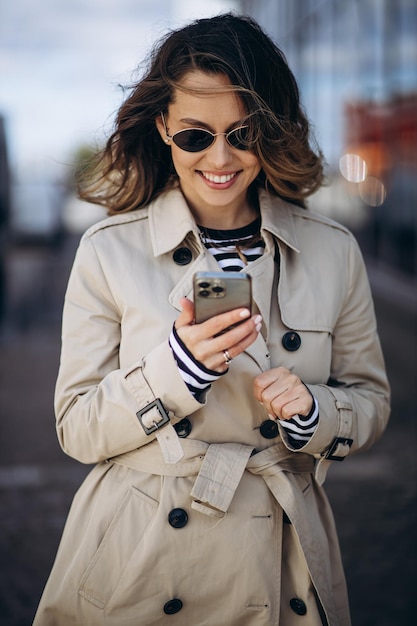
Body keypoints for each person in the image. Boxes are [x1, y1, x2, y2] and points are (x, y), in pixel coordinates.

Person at [33, 13, 390, 626]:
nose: (220, 158)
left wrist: (311, 412)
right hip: (142, 557)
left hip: (283, 555)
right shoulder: (108, 250)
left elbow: (372, 402)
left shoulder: (333, 251)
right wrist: (177, 369)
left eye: (243, 133)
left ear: (270, 130)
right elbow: (77, 427)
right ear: (164, 126)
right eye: (196, 136)